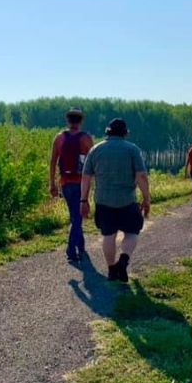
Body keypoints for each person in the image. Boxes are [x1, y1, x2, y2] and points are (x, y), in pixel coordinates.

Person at [80, 118, 150, 283]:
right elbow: (141, 176)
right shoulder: (132, 150)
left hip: (104, 201)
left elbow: (86, 177)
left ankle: (112, 270)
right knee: (132, 232)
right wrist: (146, 198)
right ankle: (123, 261)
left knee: (108, 236)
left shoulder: (95, 150)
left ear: (108, 132)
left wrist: (84, 200)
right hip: (127, 200)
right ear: (125, 133)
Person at [49, 107, 94, 262]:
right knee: (77, 218)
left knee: (75, 216)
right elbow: (92, 163)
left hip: (65, 183)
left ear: (67, 121)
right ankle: (70, 249)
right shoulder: (86, 139)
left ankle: (81, 246)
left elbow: (53, 162)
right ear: (81, 121)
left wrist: (52, 184)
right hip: (81, 183)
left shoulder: (59, 138)